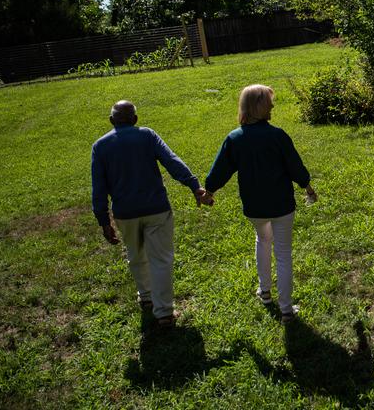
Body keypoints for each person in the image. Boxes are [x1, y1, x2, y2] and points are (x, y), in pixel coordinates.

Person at [91, 100, 212, 328]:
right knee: (161, 260)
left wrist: (104, 221)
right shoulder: (147, 135)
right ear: (135, 120)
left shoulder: (100, 146)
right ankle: (164, 313)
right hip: (156, 209)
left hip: (125, 213)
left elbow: (98, 188)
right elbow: (171, 161)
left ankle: (146, 297)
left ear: (111, 121)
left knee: (136, 255)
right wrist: (194, 186)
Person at [205, 84, 317, 324]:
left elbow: (220, 170)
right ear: (258, 106)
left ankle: (265, 291)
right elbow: (295, 167)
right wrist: (307, 186)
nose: (273, 106)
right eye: (269, 102)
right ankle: (286, 309)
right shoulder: (277, 136)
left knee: (263, 240)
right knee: (283, 253)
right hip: (281, 205)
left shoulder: (235, 139)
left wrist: (209, 190)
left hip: (254, 207)